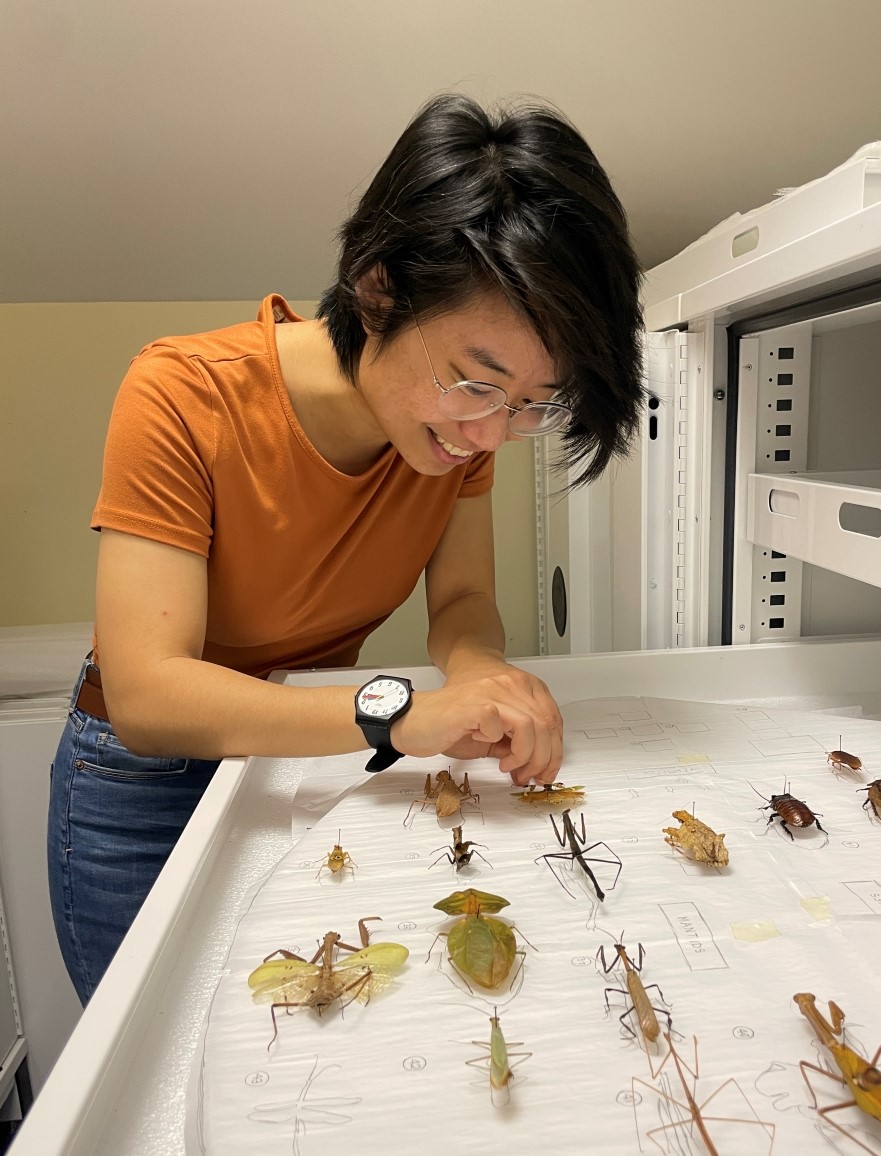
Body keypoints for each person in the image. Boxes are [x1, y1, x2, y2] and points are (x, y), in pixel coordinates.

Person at [47, 93, 645, 1003]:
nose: (492, 436)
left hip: (297, 747)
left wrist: (481, 671)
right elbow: (148, 693)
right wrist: (398, 714)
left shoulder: (450, 435)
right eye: (476, 385)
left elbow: (462, 603)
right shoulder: (181, 393)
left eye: (534, 404)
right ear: (377, 291)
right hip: (141, 787)